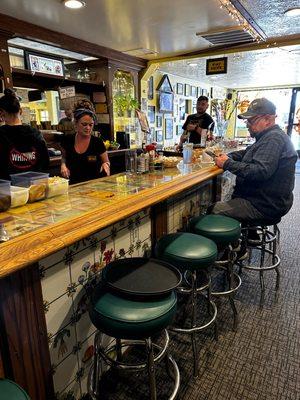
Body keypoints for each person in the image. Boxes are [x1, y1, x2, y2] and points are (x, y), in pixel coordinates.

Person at [211, 98, 297, 228]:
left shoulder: (273, 139)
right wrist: (227, 156)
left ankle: (229, 245)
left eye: (251, 120)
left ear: (268, 120)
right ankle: (250, 233)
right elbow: (246, 153)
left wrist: (227, 163)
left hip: (264, 205)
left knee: (214, 210)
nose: (247, 124)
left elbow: (260, 171)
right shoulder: (267, 136)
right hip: (269, 200)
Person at [0, 88, 49, 180]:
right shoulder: (35, 133)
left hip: (10, 190)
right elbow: (45, 162)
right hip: (34, 187)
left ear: (1, 113)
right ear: (21, 111)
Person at [60, 99, 110, 184]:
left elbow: (106, 161)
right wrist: (63, 166)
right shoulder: (67, 141)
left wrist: (106, 165)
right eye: (84, 124)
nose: (88, 128)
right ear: (75, 123)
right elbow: (64, 158)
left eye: (91, 125)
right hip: (73, 186)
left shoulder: (97, 142)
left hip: (95, 186)